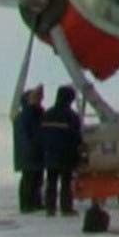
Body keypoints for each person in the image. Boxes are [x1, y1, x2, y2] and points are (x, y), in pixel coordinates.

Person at [39, 85, 83, 217]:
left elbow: (40, 135)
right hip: (66, 155)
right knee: (66, 182)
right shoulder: (72, 116)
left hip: (50, 154)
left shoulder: (47, 114)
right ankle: (66, 208)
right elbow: (77, 137)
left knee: (51, 182)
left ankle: (50, 208)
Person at [11, 85, 45, 213]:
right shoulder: (27, 115)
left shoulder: (33, 114)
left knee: (36, 179)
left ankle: (34, 202)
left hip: (32, 152)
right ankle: (27, 204)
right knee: (29, 179)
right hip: (29, 152)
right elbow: (28, 134)